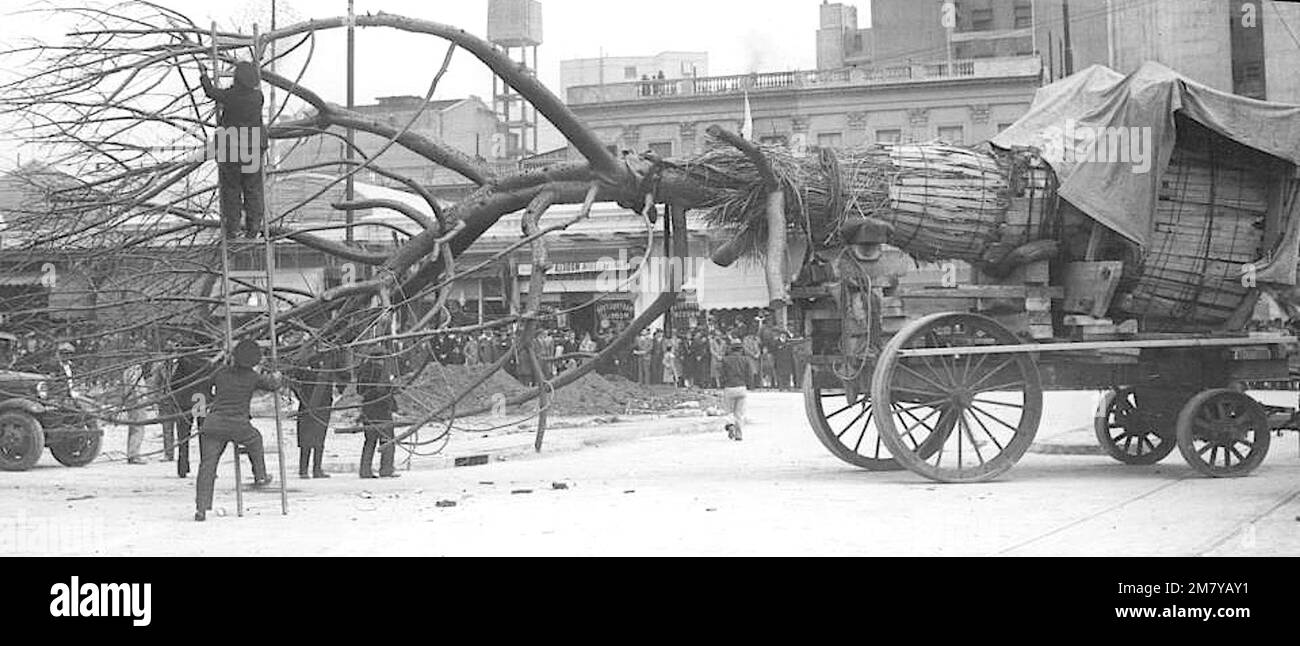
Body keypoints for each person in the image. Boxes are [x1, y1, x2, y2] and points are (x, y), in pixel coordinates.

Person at [194, 339, 278, 522]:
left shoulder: (220, 372)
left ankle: (201, 508)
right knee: (255, 439)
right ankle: (260, 475)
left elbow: (200, 387)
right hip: (238, 426)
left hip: (213, 424)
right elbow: (273, 385)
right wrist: (277, 375)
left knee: (207, 467)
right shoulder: (252, 377)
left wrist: (202, 412)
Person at [199, 61, 266, 239]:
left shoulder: (231, 96)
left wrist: (204, 75)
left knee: (231, 189)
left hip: (231, 149)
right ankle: (254, 226)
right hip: (252, 148)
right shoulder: (258, 97)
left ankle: (234, 227)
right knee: (252, 188)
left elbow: (211, 92)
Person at [290, 347, 345, 479]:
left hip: (305, 410)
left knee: (306, 443)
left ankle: (304, 471)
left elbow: (296, 388)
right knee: (318, 442)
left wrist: (302, 400)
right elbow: (340, 388)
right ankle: (316, 470)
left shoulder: (305, 376)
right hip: (321, 411)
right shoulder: (325, 376)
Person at [357, 353, 401, 479]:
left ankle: (365, 470)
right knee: (388, 439)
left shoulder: (363, 370)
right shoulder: (380, 372)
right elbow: (382, 390)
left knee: (370, 441)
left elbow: (360, 390)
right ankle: (386, 469)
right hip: (381, 409)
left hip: (368, 409)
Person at [719, 343, 751, 441]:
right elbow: (749, 374)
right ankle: (739, 433)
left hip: (729, 387)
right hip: (741, 387)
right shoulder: (745, 359)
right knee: (739, 413)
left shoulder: (725, 360)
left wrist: (722, 384)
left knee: (728, 410)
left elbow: (722, 374)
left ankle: (730, 425)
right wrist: (749, 385)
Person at [122, 359, 150, 465]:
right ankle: (134, 455)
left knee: (133, 428)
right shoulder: (135, 370)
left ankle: (131, 453)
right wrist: (139, 399)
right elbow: (134, 387)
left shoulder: (127, 371)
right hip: (137, 402)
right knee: (138, 428)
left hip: (131, 401)